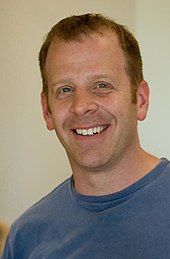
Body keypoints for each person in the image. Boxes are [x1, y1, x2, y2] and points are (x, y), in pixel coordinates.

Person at [2, 13, 170, 258]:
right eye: (65, 90)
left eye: (102, 85)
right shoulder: (26, 239)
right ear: (47, 110)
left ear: (141, 100)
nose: (81, 106)